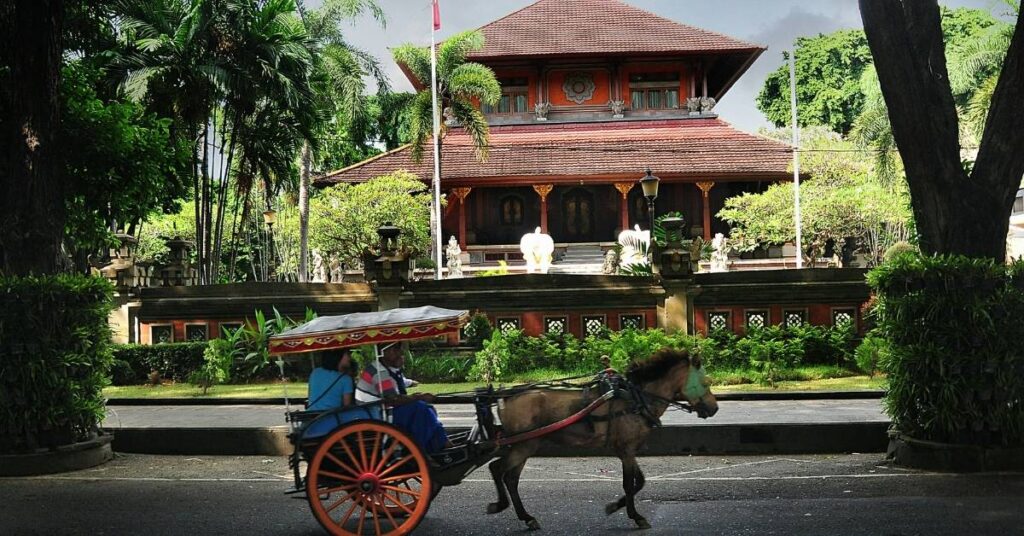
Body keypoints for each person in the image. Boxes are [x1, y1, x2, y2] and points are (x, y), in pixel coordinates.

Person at [356, 342, 449, 453]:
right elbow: (394, 399)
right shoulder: (379, 372)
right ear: (384, 352)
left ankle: (441, 443)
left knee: (427, 408)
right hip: (378, 416)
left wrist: (418, 397)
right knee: (421, 409)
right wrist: (418, 397)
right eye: (395, 350)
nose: (400, 353)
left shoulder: (384, 368)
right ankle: (421, 450)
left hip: (382, 410)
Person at [303, 348, 370, 438]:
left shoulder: (315, 372)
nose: (349, 358)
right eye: (347, 355)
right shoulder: (345, 379)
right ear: (338, 357)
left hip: (311, 421)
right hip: (331, 421)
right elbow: (347, 405)